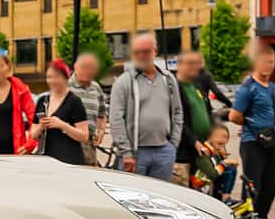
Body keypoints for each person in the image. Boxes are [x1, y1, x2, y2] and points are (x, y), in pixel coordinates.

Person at [106, 32, 182, 179]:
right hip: (134, 154)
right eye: (137, 53)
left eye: (146, 52)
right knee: (133, 198)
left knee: (162, 197)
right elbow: (116, 118)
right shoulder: (123, 82)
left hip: (164, 151)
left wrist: (173, 144)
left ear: (155, 52)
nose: (141, 56)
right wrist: (126, 152)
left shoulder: (168, 79)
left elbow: (178, 111)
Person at [229, 47, 275, 216]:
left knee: (270, 186)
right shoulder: (248, 87)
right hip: (252, 142)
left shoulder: (273, 88)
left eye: (271, 62)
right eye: (264, 62)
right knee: (253, 185)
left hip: (270, 141)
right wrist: (253, 126)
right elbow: (234, 115)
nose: (268, 66)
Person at [31, 59, 90, 165]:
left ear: (66, 78)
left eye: (56, 77)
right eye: (49, 77)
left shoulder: (74, 101)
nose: (52, 81)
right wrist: (41, 126)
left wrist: (62, 125)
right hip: (47, 159)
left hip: (70, 159)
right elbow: (33, 134)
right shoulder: (42, 101)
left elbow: (84, 136)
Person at [171, 51, 216, 187]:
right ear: (179, 65)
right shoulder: (174, 87)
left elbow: (207, 111)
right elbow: (176, 118)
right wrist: (193, 141)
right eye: (190, 64)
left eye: (196, 64)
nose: (195, 67)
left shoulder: (196, 86)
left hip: (201, 153)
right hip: (183, 154)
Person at [68, 52, 108, 165]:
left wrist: (100, 131)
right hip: (70, 144)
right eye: (84, 67)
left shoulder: (96, 88)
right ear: (75, 67)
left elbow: (102, 113)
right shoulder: (66, 86)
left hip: (90, 144)